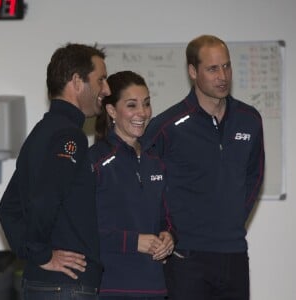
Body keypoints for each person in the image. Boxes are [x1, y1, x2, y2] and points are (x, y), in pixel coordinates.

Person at [142, 35, 265, 300]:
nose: (222, 76)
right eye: (212, 68)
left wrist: (231, 216)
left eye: (227, 66)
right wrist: (165, 231)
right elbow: (147, 184)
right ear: (192, 71)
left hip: (234, 253)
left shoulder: (250, 120)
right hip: (186, 256)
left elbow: (255, 176)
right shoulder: (167, 127)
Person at [0, 43, 111, 300]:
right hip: (66, 286)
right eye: (101, 79)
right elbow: (45, 199)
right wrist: (41, 254)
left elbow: (8, 208)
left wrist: (33, 255)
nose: (107, 89)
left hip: (48, 284)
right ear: (76, 81)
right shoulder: (69, 136)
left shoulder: (43, 132)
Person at [89, 70, 175, 300]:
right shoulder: (94, 161)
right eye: (132, 105)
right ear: (111, 110)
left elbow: (166, 217)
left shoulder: (156, 161)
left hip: (154, 287)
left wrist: (168, 236)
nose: (142, 113)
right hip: (110, 287)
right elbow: (81, 230)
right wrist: (133, 241)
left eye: (146, 104)